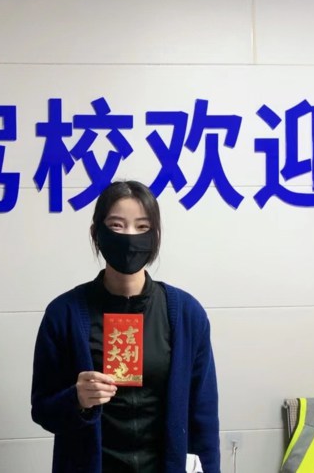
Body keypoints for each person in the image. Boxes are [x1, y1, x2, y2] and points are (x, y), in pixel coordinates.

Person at [30, 180, 220, 473]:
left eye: (142, 227)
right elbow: (42, 410)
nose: (130, 237)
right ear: (96, 233)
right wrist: (77, 399)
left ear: (155, 236)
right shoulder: (64, 313)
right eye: (117, 226)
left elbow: (204, 416)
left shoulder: (187, 314)